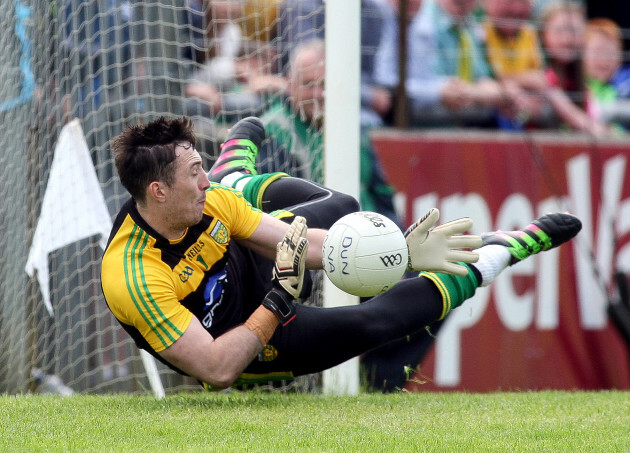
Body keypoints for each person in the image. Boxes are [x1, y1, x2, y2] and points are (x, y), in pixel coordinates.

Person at [100, 114, 582, 391]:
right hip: (239, 337)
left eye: (204, 170)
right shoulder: (133, 275)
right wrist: (277, 302)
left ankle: (237, 176)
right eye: (195, 174)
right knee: (371, 324)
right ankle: (498, 254)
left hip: (247, 262)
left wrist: (401, 255)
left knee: (345, 209)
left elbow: (304, 244)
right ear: (159, 192)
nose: (203, 184)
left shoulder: (208, 202)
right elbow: (216, 368)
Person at [258, 38, 400, 225]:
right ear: (290, 85)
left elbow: (381, 194)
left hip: (371, 236)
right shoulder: (272, 131)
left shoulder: (353, 127)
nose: (318, 94)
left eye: (325, 84)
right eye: (308, 84)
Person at [274, 0, 397, 127]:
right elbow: (312, 65)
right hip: (306, 102)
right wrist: (368, 96)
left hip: (353, 101)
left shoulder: (376, 10)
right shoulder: (301, 5)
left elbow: (375, 74)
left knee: (370, 122)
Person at [405, 0, 518, 127]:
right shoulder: (423, 20)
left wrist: (499, 92)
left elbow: (481, 78)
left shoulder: (469, 26)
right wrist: (480, 94)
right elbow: (440, 87)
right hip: (420, 128)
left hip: (454, 130)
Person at [539, 1, 609, 135]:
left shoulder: (584, 81)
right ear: (543, 33)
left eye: (576, 31)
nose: (568, 39)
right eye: (560, 30)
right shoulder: (538, 74)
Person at [583, 18, 630, 131]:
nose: (604, 59)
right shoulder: (574, 84)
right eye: (597, 52)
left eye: (610, 53)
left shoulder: (626, 83)